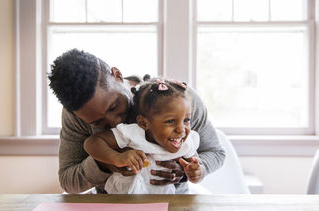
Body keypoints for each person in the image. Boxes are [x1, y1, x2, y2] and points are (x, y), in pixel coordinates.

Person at [48, 49, 225, 194]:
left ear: (117, 75)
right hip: (112, 203)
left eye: (113, 106)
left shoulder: (176, 101)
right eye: (97, 121)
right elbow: (68, 181)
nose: (114, 122)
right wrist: (107, 162)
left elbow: (215, 152)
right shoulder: (75, 115)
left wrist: (187, 171)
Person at [84, 78, 201, 194]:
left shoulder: (187, 143)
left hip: (162, 201)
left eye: (186, 120)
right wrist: (117, 158)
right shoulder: (134, 134)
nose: (181, 130)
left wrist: (195, 172)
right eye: (170, 121)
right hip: (121, 199)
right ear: (144, 123)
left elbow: (195, 164)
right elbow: (92, 143)